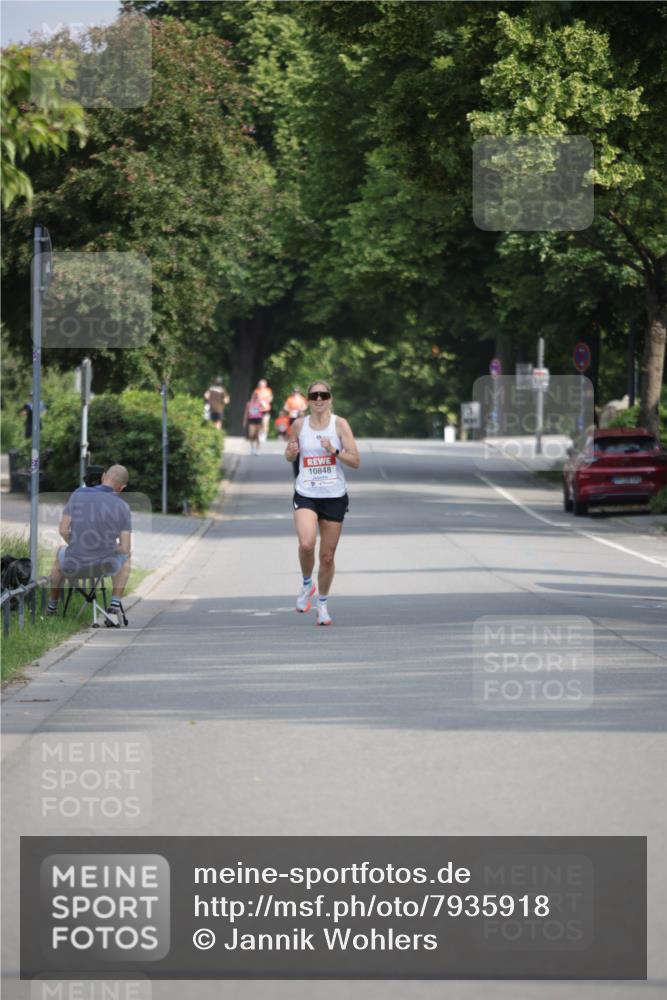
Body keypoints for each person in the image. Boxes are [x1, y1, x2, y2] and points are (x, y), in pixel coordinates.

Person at [284, 380, 360, 626]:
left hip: (334, 494)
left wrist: (334, 452)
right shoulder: (298, 424)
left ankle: (323, 605)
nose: (318, 399)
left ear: (330, 398)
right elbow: (288, 454)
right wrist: (291, 453)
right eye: (314, 395)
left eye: (323, 395)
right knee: (306, 544)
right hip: (306, 491)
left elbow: (355, 461)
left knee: (327, 556)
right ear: (308, 399)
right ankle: (308, 584)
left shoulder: (340, 425)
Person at [47, 464, 132, 628]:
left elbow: (63, 530)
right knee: (127, 557)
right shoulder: (123, 507)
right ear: (122, 488)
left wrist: (79, 545)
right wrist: (107, 546)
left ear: (103, 476)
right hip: (104, 565)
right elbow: (125, 548)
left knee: (59, 555)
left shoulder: (78, 494)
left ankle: (52, 608)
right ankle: (114, 607)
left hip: (74, 564)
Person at [243, 390, 264, 454]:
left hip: (258, 419)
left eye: (256, 396)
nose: (255, 397)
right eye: (254, 395)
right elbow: (246, 413)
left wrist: (261, 406)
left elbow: (265, 408)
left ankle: (257, 450)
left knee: (257, 435)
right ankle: (252, 448)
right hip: (251, 419)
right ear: (252, 396)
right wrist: (244, 421)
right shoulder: (249, 403)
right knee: (251, 435)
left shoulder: (260, 402)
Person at [255, 378, 273, 443]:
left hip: (266, 409)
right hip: (258, 410)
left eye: (262, 384)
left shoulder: (268, 390)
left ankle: (264, 435)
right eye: (260, 384)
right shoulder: (256, 391)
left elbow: (270, 398)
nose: (261, 385)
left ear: (265, 385)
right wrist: (259, 402)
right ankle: (259, 434)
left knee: (265, 422)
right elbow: (254, 399)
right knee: (259, 423)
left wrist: (266, 402)